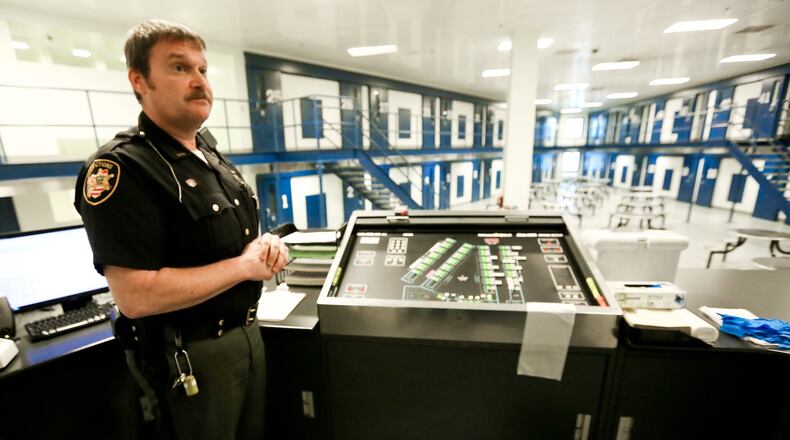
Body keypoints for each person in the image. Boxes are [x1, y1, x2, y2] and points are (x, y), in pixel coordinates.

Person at [74, 19, 287, 440]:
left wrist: (263, 249)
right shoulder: (123, 168)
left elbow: (223, 246)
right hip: (188, 359)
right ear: (140, 81)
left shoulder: (207, 153)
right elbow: (134, 296)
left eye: (203, 70)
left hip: (247, 337)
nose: (198, 81)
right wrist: (243, 268)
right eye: (179, 68)